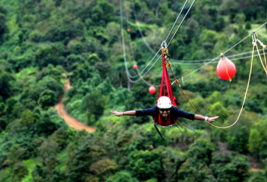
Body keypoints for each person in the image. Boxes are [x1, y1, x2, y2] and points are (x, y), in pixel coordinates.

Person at [111, 96, 219, 123]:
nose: (164, 112)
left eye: (167, 109)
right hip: (160, 122)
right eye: (162, 110)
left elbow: (189, 115)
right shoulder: (154, 110)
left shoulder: (174, 110)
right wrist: (123, 113)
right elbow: (139, 112)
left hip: (171, 121)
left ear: (170, 108)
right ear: (158, 108)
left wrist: (206, 119)